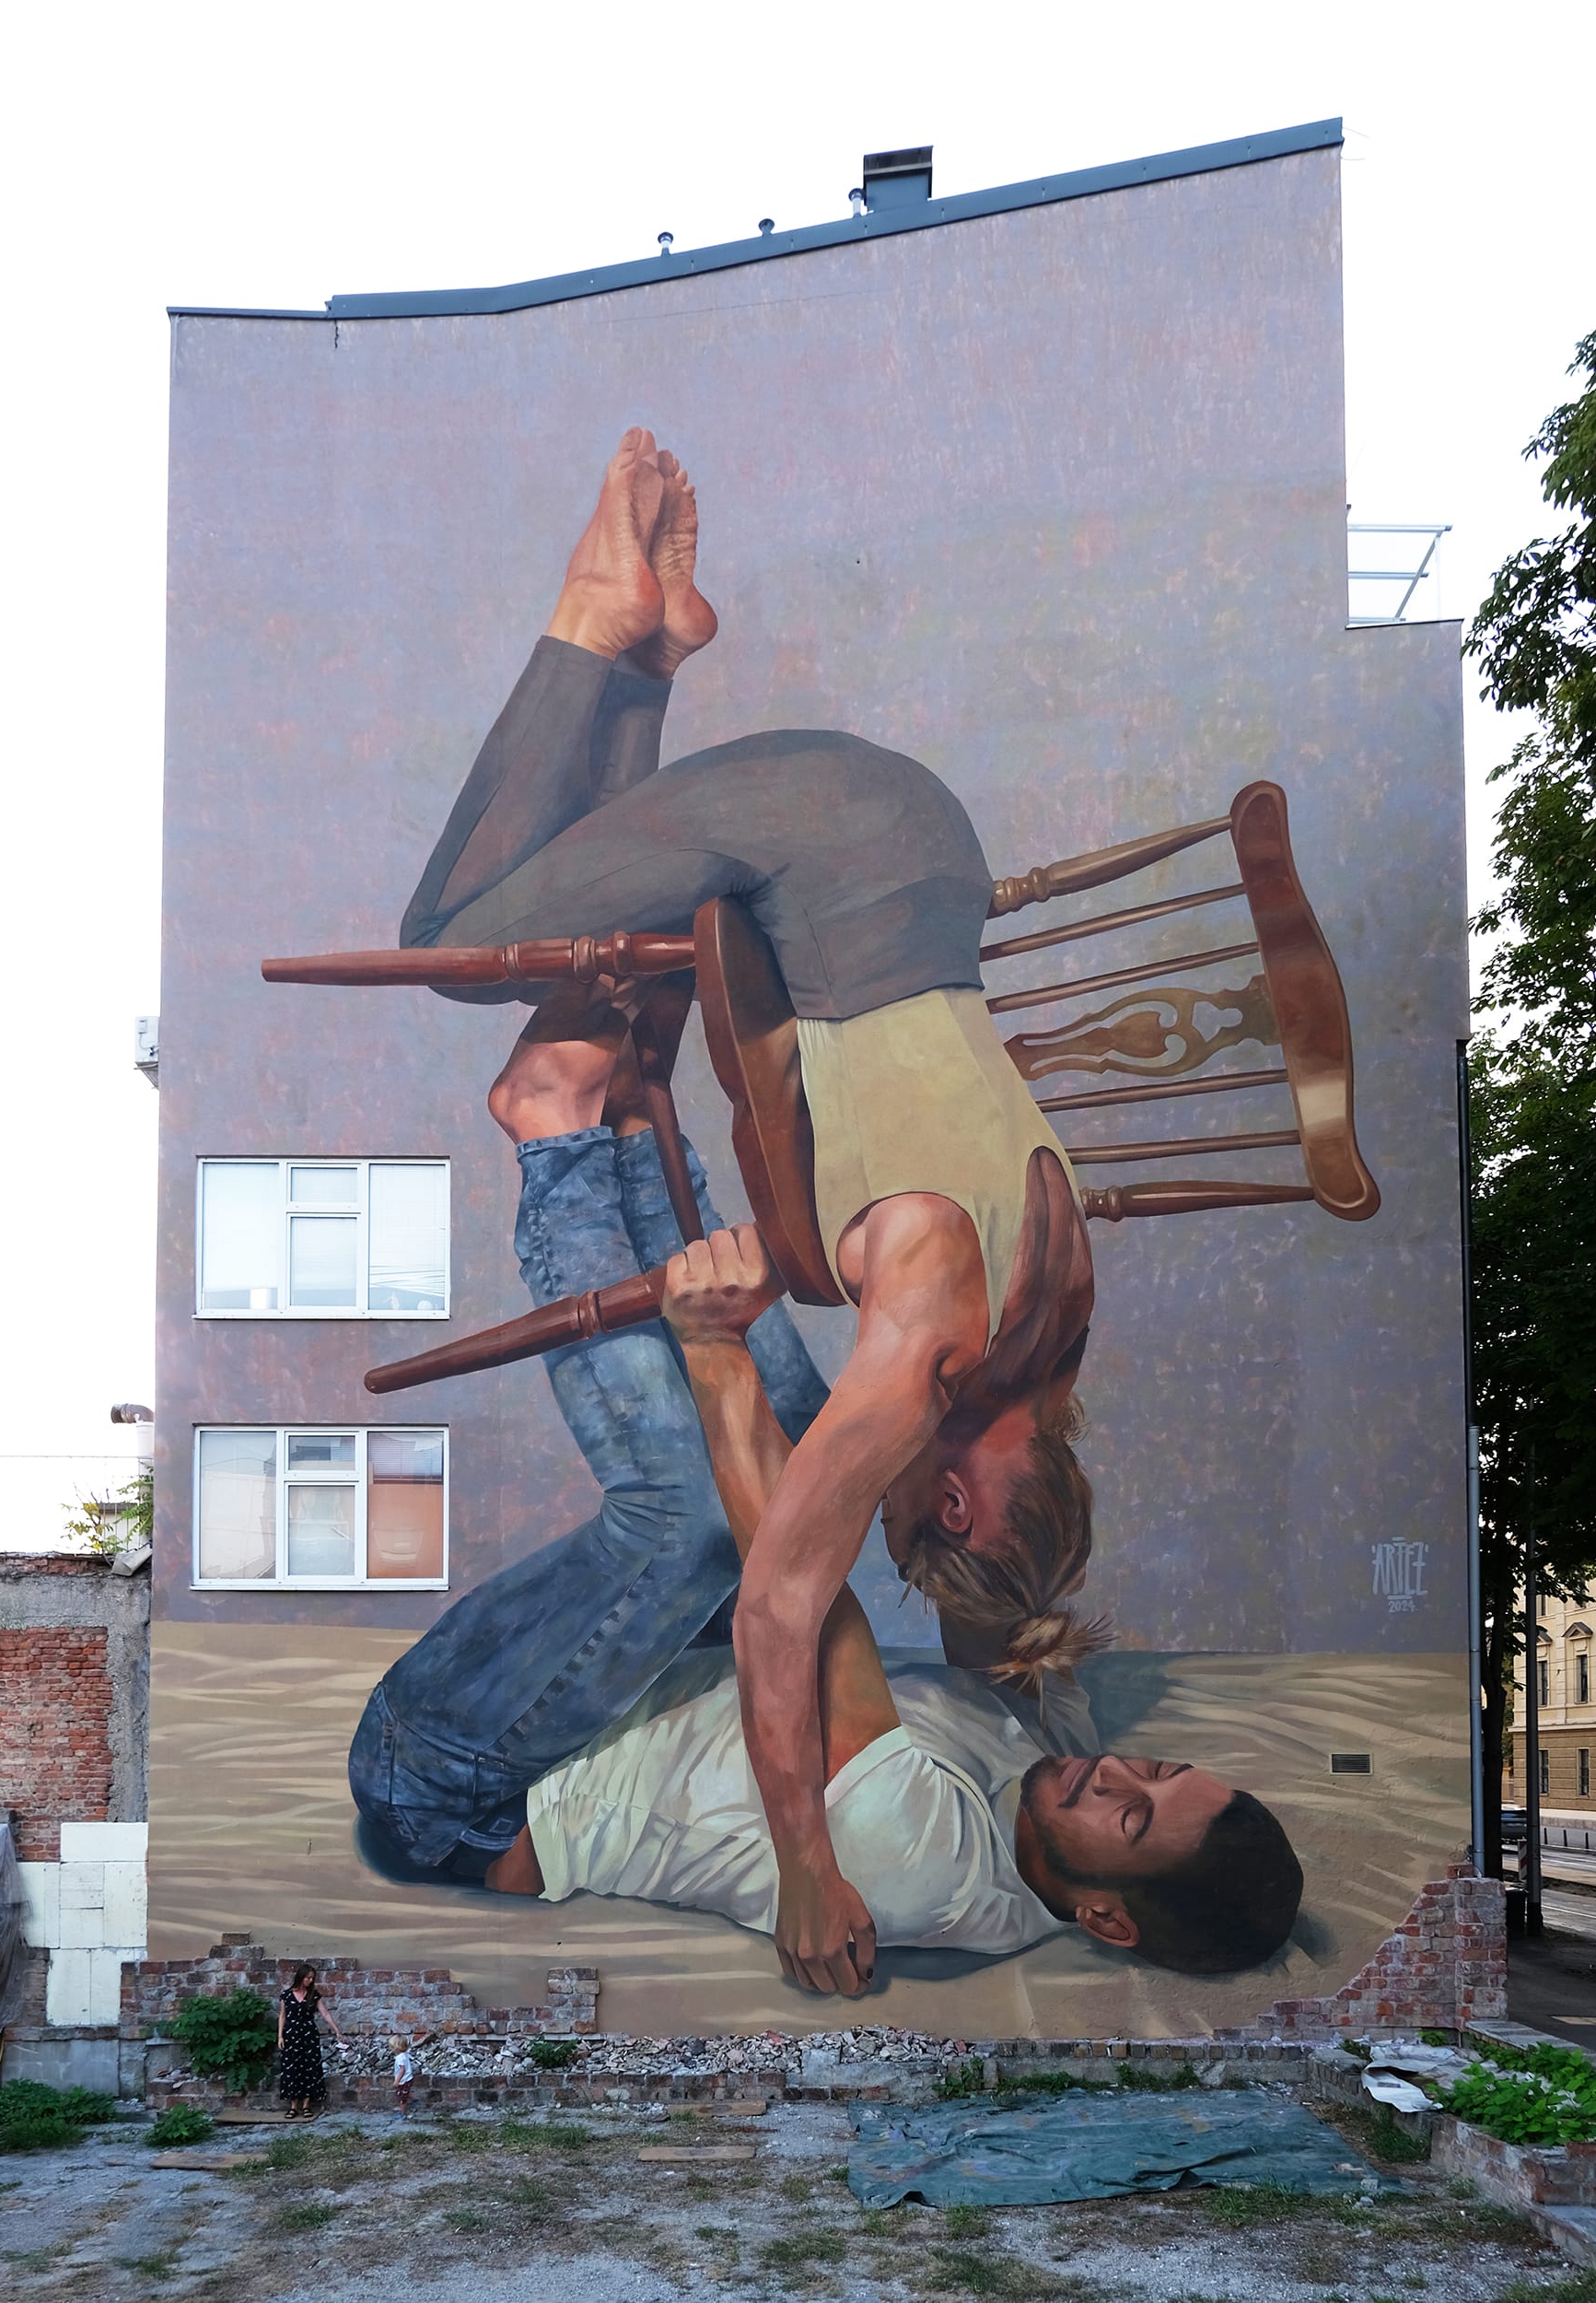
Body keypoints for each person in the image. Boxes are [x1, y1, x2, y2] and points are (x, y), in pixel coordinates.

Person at [400, 428, 1099, 1993]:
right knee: (452, 942)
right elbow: (781, 1610)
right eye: (919, 1515)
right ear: (970, 1498)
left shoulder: (1055, 1307)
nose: (896, 1487)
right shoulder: (929, 1335)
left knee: (585, 916)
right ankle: (600, 616)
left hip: (912, 867)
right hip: (831, 834)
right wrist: (806, 1874)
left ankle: (647, 649)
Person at [348, 1123, 1303, 1985]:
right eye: (1156, 1768)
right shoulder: (1058, 1773)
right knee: (824, 1443)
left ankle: (557, 1136)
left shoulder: (928, 1865)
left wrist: (714, 1342)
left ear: (1105, 1917)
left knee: (691, 1524)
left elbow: (805, 1599)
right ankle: (640, 1139)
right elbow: (988, 1602)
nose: (1114, 1776)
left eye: (1130, 1817)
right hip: (620, 1695)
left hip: (468, 1787)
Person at [275, 1965, 344, 2121]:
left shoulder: (314, 1995)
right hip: (291, 2035)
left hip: (309, 2035)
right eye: (308, 1977)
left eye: (312, 1978)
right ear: (300, 1977)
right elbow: (282, 2016)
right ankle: (293, 2106)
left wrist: (337, 2030)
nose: (310, 1980)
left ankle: (306, 2105)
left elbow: (325, 2013)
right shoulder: (286, 1995)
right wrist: (280, 2036)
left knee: (309, 2068)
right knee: (291, 2068)